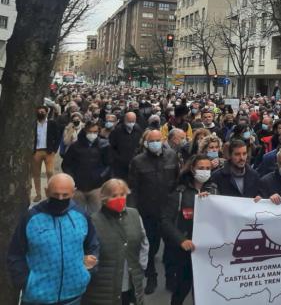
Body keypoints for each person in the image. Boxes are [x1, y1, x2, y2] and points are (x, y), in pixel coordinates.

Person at [8, 173, 99, 305]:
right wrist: (25, 281)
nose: (60, 198)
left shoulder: (81, 216)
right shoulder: (31, 218)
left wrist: (86, 273)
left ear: (73, 193)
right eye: (55, 195)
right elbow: (15, 253)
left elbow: (92, 245)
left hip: (74, 297)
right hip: (37, 298)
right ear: (46, 191)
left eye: (65, 195)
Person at [128, 129, 180, 294]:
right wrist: (133, 212)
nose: (155, 143)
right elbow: (133, 189)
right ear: (146, 143)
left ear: (163, 140)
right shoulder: (138, 161)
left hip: (169, 212)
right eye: (152, 141)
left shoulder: (172, 155)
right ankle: (151, 276)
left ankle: (171, 277)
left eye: (158, 140)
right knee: (150, 246)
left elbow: (178, 181)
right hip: (147, 211)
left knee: (171, 246)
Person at [82, 179, 149, 305]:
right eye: (114, 196)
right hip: (103, 287)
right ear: (104, 198)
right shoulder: (93, 221)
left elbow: (143, 242)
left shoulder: (135, 215)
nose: (119, 199)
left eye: (122, 195)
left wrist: (141, 267)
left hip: (131, 282)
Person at [161, 155, 218, 305]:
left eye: (207, 168)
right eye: (201, 168)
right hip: (185, 251)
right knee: (182, 288)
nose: (204, 171)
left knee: (203, 290)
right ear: (193, 169)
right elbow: (165, 221)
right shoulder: (180, 192)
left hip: (207, 250)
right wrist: (181, 240)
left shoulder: (215, 190)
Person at [61, 121, 111, 214]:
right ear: (85, 132)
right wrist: (72, 178)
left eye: (95, 132)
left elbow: (109, 165)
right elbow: (66, 164)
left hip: (96, 187)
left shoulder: (104, 146)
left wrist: (101, 176)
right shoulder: (75, 146)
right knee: (77, 214)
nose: (93, 134)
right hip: (78, 188)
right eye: (90, 132)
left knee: (96, 216)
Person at [32, 104, 61, 202]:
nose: (41, 113)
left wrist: (55, 150)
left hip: (49, 151)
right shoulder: (33, 124)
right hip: (36, 151)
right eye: (39, 111)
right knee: (36, 173)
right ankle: (38, 194)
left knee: (50, 172)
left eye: (42, 111)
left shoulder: (52, 123)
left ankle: (50, 193)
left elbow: (58, 137)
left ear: (46, 112)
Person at [109, 112, 144, 180]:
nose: (131, 123)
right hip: (120, 164)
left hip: (134, 162)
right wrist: (118, 158)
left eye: (133, 121)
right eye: (129, 121)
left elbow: (140, 145)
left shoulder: (138, 130)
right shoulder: (117, 131)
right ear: (125, 120)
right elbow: (112, 147)